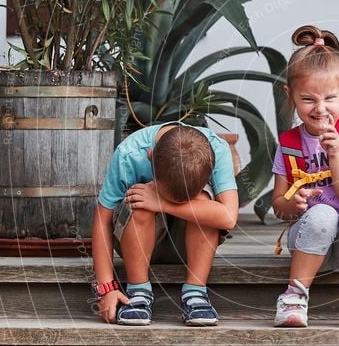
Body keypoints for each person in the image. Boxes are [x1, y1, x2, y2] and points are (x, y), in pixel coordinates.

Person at [271, 24, 339, 328]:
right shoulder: (289, 143)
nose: (320, 109)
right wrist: (293, 204)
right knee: (321, 214)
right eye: (308, 99)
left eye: (330, 98)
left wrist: (335, 154)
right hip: (309, 241)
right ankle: (294, 296)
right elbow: (278, 205)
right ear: (290, 94)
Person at [91, 123, 238, 326]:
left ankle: (195, 293)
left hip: (186, 248)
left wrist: (163, 203)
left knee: (205, 203)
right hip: (136, 243)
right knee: (139, 201)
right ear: (150, 156)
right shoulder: (129, 153)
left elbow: (229, 217)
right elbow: (102, 220)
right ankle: (138, 292)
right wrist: (106, 288)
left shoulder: (217, 149)